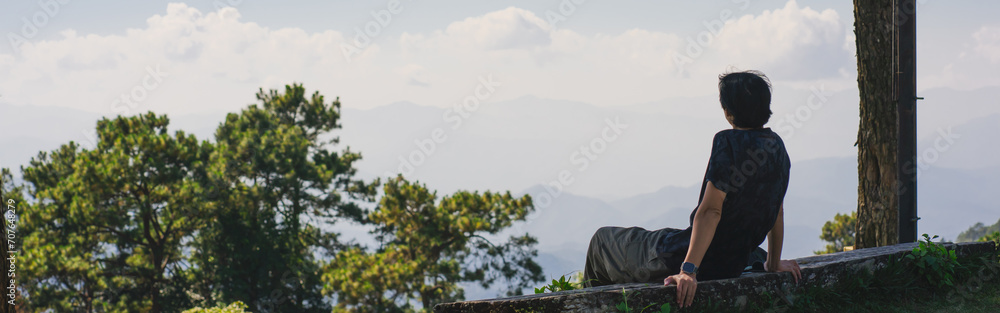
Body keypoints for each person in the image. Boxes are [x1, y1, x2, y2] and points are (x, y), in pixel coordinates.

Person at [582, 70, 802, 308]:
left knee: (601, 241)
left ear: (728, 112)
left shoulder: (727, 142)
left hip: (681, 257)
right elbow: (776, 209)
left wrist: (688, 271)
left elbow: (711, 212)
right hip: (734, 261)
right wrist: (773, 261)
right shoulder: (777, 146)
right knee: (664, 234)